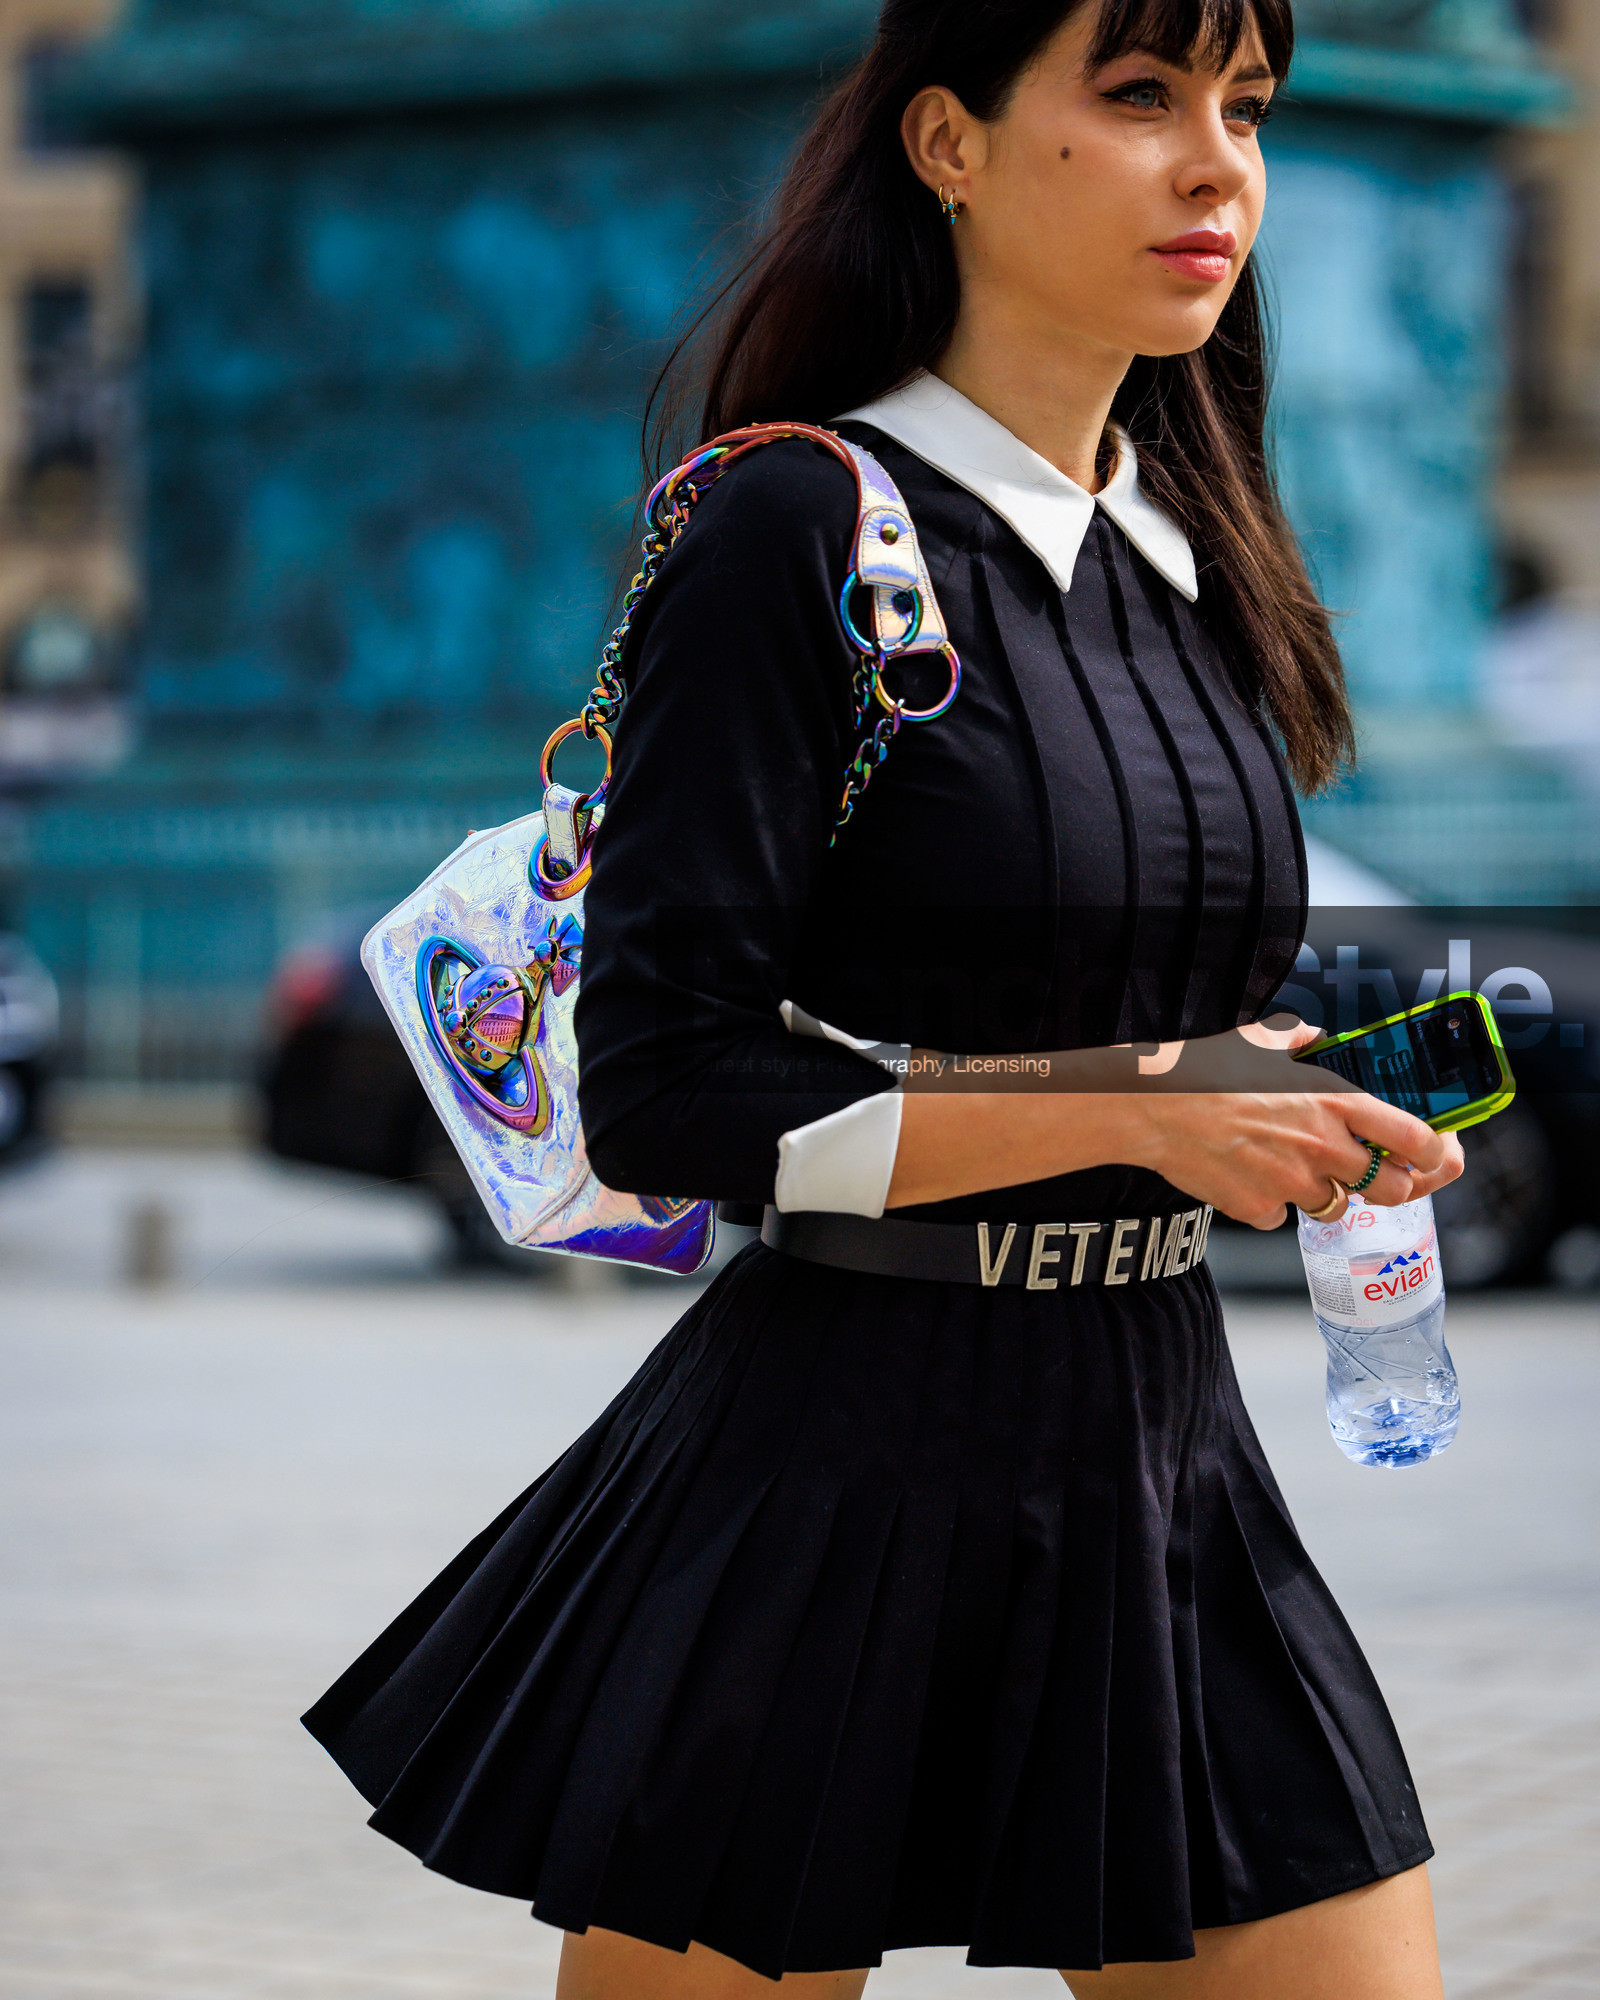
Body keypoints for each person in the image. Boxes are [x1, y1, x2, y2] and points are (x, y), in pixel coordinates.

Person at [303, 2, 1465, 1994]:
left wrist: (1249, 1095)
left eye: (1244, 109)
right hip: (823, 1474)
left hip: (1153, 1446)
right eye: (1135, 97)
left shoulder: (1192, 559)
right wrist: (1136, 1109)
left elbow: (1098, 1000)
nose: (1216, 166)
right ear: (944, 142)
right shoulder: (791, 527)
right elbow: (665, 1092)